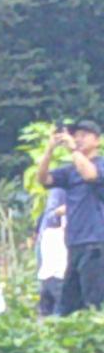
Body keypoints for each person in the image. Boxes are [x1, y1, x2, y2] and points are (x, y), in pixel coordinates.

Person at [36, 121, 103, 314]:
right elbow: (43, 179)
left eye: (84, 135)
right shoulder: (70, 170)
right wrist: (50, 150)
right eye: (76, 135)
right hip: (74, 242)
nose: (78, 139)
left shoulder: (99, 164)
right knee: (68, 305)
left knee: (94, 300)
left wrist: (74, 150)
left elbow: (91, 176)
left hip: (97, 241)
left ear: (97, 140)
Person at [37, 188, 68, 317]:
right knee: (60, 310)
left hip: (47, 276)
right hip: (59, 276)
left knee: (46, 311)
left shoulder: (48, 232)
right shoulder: (60, 192)